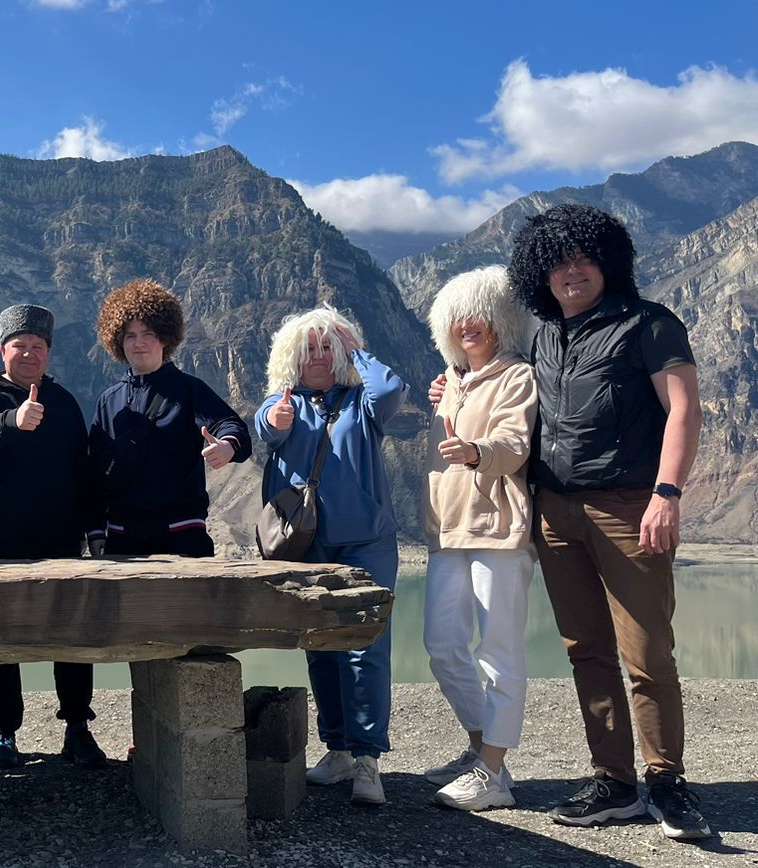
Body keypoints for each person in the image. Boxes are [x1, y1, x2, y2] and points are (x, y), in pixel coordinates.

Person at [505, 203, 709, 839]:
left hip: (628, 507)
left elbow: (684, 410)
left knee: (647, 652)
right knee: (585, 650)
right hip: (554, 511)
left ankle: (667, 782)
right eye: (558, 261)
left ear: (608, 262)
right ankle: (614, 782)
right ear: (540, 272)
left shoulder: (649, 323)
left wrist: (667, 494)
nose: (572, 271)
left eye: (583, 258)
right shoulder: (544, 336)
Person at [254, 305, 408, 807]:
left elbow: (391, 390)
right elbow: (267, 427)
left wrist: (354, 346)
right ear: (292, 356)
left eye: (327, 346)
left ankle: (367, 759)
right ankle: (337, 749)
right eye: (309, 348)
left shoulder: (363, 402)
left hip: (367, 543)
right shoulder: (283, 403)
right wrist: (274, 418)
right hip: (309, 545)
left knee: (366, 649)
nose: (318, 356)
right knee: (320, 646)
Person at [0, 304, 105, 770]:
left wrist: (94, 530)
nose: (29, 353)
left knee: (71, 636)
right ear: (2, 350)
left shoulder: (63, 402)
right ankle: (3, 734)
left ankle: (77, 726)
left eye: (38, 346)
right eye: (19, 345)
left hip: (59, 540)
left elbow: (84, 472)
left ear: (48, 352)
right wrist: (14, 419)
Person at [419, 266, 537, 811]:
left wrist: (476, 453)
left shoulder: (517, 377)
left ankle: (491, 772)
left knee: (499, 652)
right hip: (448, 530)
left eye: (479, 315)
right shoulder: (450, 382)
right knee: (443, 646)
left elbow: (514, 444)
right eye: (458, 317)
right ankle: (481, 749)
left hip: (499, 531)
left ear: (501, 320)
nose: (468, 325)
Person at [88, 279, 251, 558]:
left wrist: (227, 445)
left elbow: (230, 425)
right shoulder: (108, 401)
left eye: (148, 333)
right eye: (129, 335)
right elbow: (94, 471)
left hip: (182, 535)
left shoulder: (188, 390)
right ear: (117, 341)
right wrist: (94, 530)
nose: (139, 343)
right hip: (122, 539)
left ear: (165, 337)